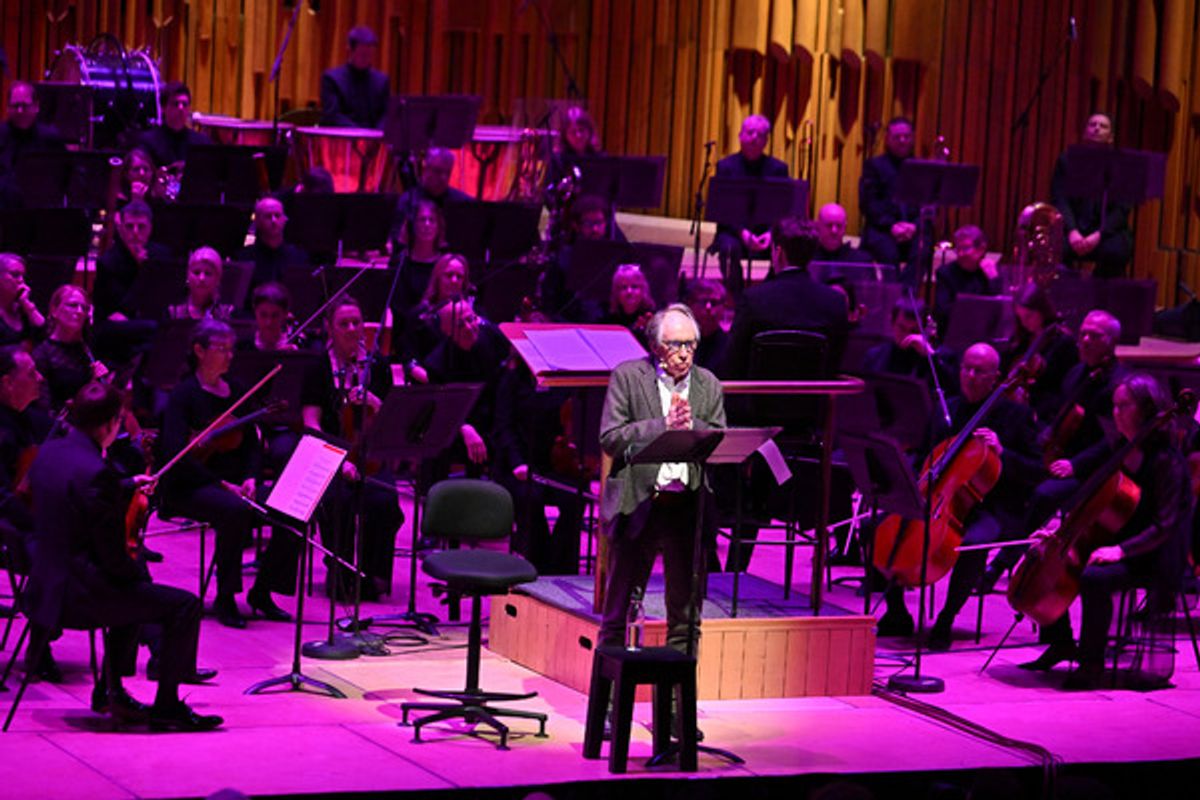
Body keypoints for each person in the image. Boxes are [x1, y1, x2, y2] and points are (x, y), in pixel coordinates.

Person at [22, 380, 222, 730]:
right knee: (179, 603)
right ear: (110, 423)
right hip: (78, 597)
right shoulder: (96, 472)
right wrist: (135, 574)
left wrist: (126, 486)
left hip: (44, 587)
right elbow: (113, 558)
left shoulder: (50, 452)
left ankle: (111, 691)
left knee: (134, 589)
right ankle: (167, 708)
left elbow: (80, 493)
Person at [1025, 373, 1191, 689]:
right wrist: (1060, 527)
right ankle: (1061, 641)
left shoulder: (1165, 461)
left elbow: (1165, 525)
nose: (1116, 413)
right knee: (1050, 555)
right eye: (1114, 406)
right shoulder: (1120, 446)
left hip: (1154, 553)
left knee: (1093, 577)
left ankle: (1091, 665)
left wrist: (1121, 551)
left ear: (1145, 409)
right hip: (1118, 539)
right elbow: (1091, 496)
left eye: (1123, 406)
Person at [874, 343, 1041, 648]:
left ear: (996, 378)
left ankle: (946, 619)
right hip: (938, 498)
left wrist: (1004, 452)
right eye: (966, 368)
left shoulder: (1016, 416)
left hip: (992, 507)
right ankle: (897, 613)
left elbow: (1035, 470)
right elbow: (925, 453)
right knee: (876, 527)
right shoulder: (946, 407)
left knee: (974, 544)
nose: (970, 376)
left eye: (980, 371)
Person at [598, 303, 726, 658]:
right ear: (656, 346)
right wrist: (662, 425)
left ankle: (677, 712)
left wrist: (691, 428)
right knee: (618, 613)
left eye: (690, 344)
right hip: (639, 504)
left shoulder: (709, 384)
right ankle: (609, 706)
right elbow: (610, 437)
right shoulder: (627, 377)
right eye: (675, 345)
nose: (684, 354)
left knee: (686, 620)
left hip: (688, 506)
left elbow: (716, 434)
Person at [157, 320, 294, 628]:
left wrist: (250, 478)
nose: (230, 356)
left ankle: (263, 590)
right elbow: (175, 454)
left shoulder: (238, 391)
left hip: (236, 485)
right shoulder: (183, 395)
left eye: (231, 349)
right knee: (234, 511)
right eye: (222, 349)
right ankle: (226, 596)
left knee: (291, 506)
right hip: (190, 486)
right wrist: (221, 483)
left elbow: (253, 444)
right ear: (199, 351)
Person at [300, 296, 403, 600]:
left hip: (369, 456)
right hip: (330, 455)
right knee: (338, 501)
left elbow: (391, 421)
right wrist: (336, 460)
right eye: (343, 323)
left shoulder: (378, 366)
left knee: (384, 502)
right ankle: (341, 572)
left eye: (356, 322)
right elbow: (311, 422)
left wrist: (373, 401)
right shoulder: (317, 367)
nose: (351, 329)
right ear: (328, 328)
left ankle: (375, 575)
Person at [722, 216, 850, 379]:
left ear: (778, 252)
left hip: (759, 401)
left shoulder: (753, 299)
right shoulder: (835, 301)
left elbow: (733, 362)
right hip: (812, 402)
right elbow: (833, 366)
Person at [423, 298, 511, 474]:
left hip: (494, 416)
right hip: (458, 422)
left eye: (471, 319)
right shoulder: (436, 363)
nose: (470, 328)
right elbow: (441, 409)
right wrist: (464, 427)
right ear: (446, 331)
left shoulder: (492, 336)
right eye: (460, 325)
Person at [710, 115, 789, 295]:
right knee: (728, 248)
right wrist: (743, 233)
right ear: (740, 136)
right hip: (734, 233)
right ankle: (739, 299)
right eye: (750, 132)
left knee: (784, 247)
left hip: (767, 234)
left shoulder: (778, 169)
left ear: (766, 141)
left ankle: (768, 295)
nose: (754, 138)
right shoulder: (726, 166)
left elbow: (782, 208)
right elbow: (723, 209)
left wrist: (770, 233)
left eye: (760, 135)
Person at [1051, 112, 1133, 278]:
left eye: (1103, 126)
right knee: (1053, 247)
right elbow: (1060, 199)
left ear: (1110, 137)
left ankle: (1101, 295)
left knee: (1117, 251)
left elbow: (1122, 210)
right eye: (1092, 124)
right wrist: (1072, 230)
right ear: (1084, 132)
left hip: (1105, 232)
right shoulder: (1067, 160)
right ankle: (1067, 291)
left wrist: (1099, 235)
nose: (1096, 128)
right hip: (1074, 229)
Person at [1001, 283, 1078, 424]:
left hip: (1044, 415)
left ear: (1042, 311)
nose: (1024, 323)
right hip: (1016, 409)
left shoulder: (1063, 342)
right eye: (1020, 317)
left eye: (1029, 316)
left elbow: (1064, 388)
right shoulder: (1020, 340)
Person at [32, 285, 109, 412]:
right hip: (59, 426)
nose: (79, 311)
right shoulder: (42, 354)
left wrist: (98, 385)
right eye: (72, 305)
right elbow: (43, 410)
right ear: (54, 310)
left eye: (84, 308)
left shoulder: (87, 351)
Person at [860, 297, 957, 396]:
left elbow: (953, 391)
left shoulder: (944, 357)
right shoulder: (874, 356)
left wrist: (931, 356)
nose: (907, 336)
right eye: (901, 328)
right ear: (892, 323)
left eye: (914, 331)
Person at [859, 116, 919, 272]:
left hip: (912, 229)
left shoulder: (920, 167)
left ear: (912, 139)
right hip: (882, 229)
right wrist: (892, 225)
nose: (902, 140)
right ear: (887, 139)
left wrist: (913, 226)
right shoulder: (874, 166)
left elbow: (926, 204)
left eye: (906, 137)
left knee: (922, 248)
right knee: (888, 253)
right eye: (897, 137)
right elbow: (868, 203)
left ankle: (907, 291)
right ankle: (895, 292)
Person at [402, 252, 471, 370]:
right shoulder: (420, 315)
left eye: (459, 276)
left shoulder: (472, 315)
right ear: (438, 278)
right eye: (449, 275)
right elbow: (409, 357)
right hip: (426, 381)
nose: (454, 280)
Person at [0, 81, 65, 207]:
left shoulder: (50, 138)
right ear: (7, 108)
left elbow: (62, 178)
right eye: (15, 105)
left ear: (36, 106)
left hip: (39, 212)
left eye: (24, 105)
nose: (19, 111)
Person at [236, 195, 309, 300]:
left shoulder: (298, 257)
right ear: (257, 222)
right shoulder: (245, 259)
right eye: (268, 216)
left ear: (284, 220)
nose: (274, 220)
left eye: (277, 215)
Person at [392, 148, 473, 239]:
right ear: (425, 170)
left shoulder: (463, 203)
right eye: (438, 171)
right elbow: (397, 238)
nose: (444, 178)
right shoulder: (408, 201)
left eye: (447, 172)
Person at [932, 224, 1000, 332]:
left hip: (983, 336)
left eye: (965, 248)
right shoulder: (945, 273)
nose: (960, 254)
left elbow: (998, 311)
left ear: (981, 249)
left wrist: (993, 280)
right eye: (958, 248)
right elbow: (942, 311)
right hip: (954, 335)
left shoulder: (992, 273)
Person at [320, 26, 390, 129]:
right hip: (341, 139)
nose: (366, 59)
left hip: (373, 140)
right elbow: (332, 116)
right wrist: (362, 134)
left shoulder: (382, 81)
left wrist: (377, 134)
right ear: (349, 51)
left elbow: (385, 115)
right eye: (362, 55)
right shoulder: (332, 79)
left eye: (369, 55)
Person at [136, 82, 214, 173]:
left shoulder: (201, 143)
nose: (181, 108)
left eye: (185, 104)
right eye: (175, 104)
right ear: (163, 108)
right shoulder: (148, 142)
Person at [390, 198, 448, 315]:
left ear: (438, 227)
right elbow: (398, 308)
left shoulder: (446, 263)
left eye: (432, 220)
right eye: (422, 220)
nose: (427, 225)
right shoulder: (399, 262)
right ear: (412, 225)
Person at [166, 246, 235, 322]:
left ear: (218, 279)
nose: (201, 278)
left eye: (208, 273)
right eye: (196, 272)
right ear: (188, 276)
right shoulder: (173, 313)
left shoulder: (229, 314)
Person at [601, 264, 657, 347]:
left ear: (643, 290)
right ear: (616, 292)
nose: (629, 292)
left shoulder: (653, 318)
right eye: (623, 287)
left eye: (634, 287)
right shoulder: (607, 321)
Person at [683, 278, 729, 373]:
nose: (708, 308)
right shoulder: (677, 344)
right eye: (702, 302)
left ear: (723, 307)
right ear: (689, 305)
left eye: (714, 303)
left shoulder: (730, 346)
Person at [0, 253, 45, 346]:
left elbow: (45, 336)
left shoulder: (23, 308)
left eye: (23, 276)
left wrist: (27, 305)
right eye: (15, 275)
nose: (21, 280)